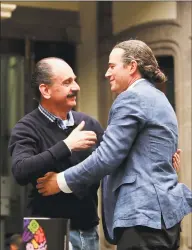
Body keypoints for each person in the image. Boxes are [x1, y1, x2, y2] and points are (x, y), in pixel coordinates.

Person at [36, 40, 191, 250]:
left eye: (112, 66)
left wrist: (60, 181)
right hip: (164, 219)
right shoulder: (160, 99)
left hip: (142, 220)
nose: (107, 74)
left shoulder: (131, 98)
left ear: (132, 66)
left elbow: (107, 157)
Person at [8, 58, 104, 250]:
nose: (76, 87)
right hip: (41, 230)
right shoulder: (26, 127)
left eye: (75, 80)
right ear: (45, 90)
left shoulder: (89, 124)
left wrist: (62, 182)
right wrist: (66, 146)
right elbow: (20, 171)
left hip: (87, 231)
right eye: (67, 82)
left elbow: (109, 164)